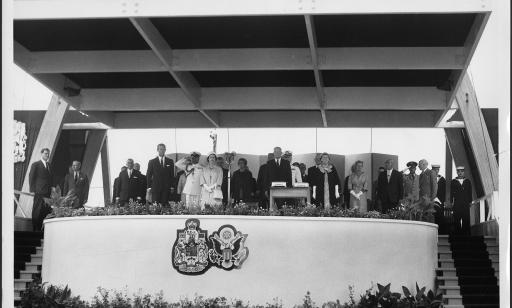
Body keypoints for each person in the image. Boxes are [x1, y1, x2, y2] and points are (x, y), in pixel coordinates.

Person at [28, 148, 54, 231]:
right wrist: (32, 190)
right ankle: (35, 228)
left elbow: (50, 179)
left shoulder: (49, 165)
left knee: (45, 211)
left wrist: (52, 187)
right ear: (41, 154)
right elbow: (31, 178)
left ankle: (41, 229)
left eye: (48, 154)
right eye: (46, 153)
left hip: (47, 192)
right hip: (39, 192)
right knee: (37, 210)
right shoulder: (35, 164)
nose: (47, 155)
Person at [450, 166, 472, 235]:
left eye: (462, 171)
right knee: (457, 218)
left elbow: (470, 192)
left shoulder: (467, 181)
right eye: (458, 171)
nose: (460, 173)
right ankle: (458, 234)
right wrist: (451, 202)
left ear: (464, 172)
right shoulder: (453, 181)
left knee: (466, 218)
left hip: (465, 203)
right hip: (457, 203)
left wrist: (470, 201)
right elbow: (451, 193)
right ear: (457, 172)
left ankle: (466, 234)